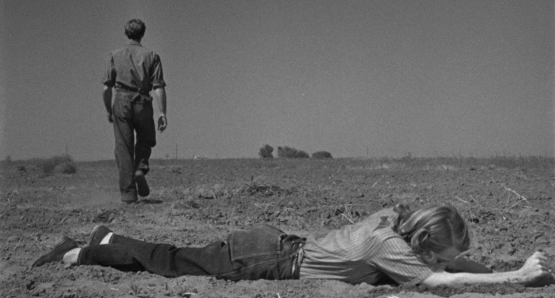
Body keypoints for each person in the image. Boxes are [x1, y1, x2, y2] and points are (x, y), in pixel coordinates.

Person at [32, 204, 553, 287]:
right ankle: (83, 251)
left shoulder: (400, 223)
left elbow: (450, 260)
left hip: (275, 246)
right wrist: (513, 277)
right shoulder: (387, 248)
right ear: (423, 244)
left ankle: (108, 237)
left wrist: (521, 271)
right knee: (172, 264)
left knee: (179, 254)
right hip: (271, 259)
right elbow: (445, 277)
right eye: (438, 251)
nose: (442, 258)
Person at [102, 19, 168, 203]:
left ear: (126, 33)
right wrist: (163, 113)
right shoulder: (152, 56)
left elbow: (107, 88)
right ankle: (140, 168)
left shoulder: (114, 55)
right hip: (143, 101)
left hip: (121, 100)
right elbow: (159, 87)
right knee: (146, 139)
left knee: (123, 147)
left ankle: (129, 194)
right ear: (143, 33)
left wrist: (109, 110)